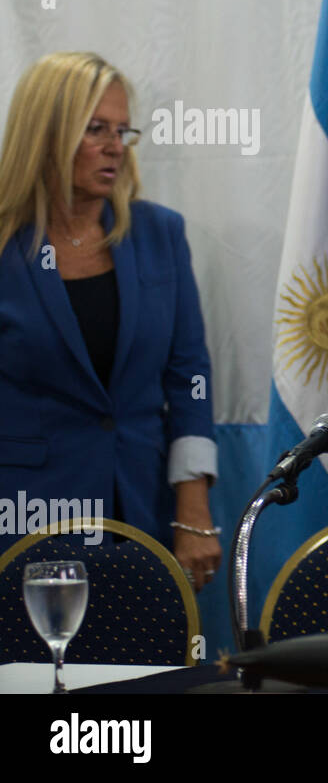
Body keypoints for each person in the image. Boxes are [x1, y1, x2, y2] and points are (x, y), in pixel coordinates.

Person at [0, 52, 220, 592]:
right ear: (45, 134)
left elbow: (188, 378)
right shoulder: (7, 244)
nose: (114, 146)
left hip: (141, 509)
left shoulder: (158, 234)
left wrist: (192, 513)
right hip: (23, 518)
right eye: (95, 129)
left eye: (122, 131)